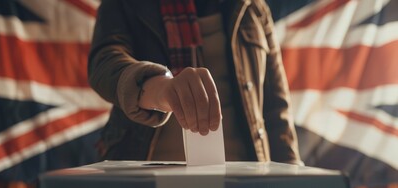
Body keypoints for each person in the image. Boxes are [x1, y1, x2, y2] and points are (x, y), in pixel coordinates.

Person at [88, 0, 303, 165]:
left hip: (243, 186)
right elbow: (104, 61)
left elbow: (277, 114)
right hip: (144, 182)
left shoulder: (253, 9)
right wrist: (160, 88)